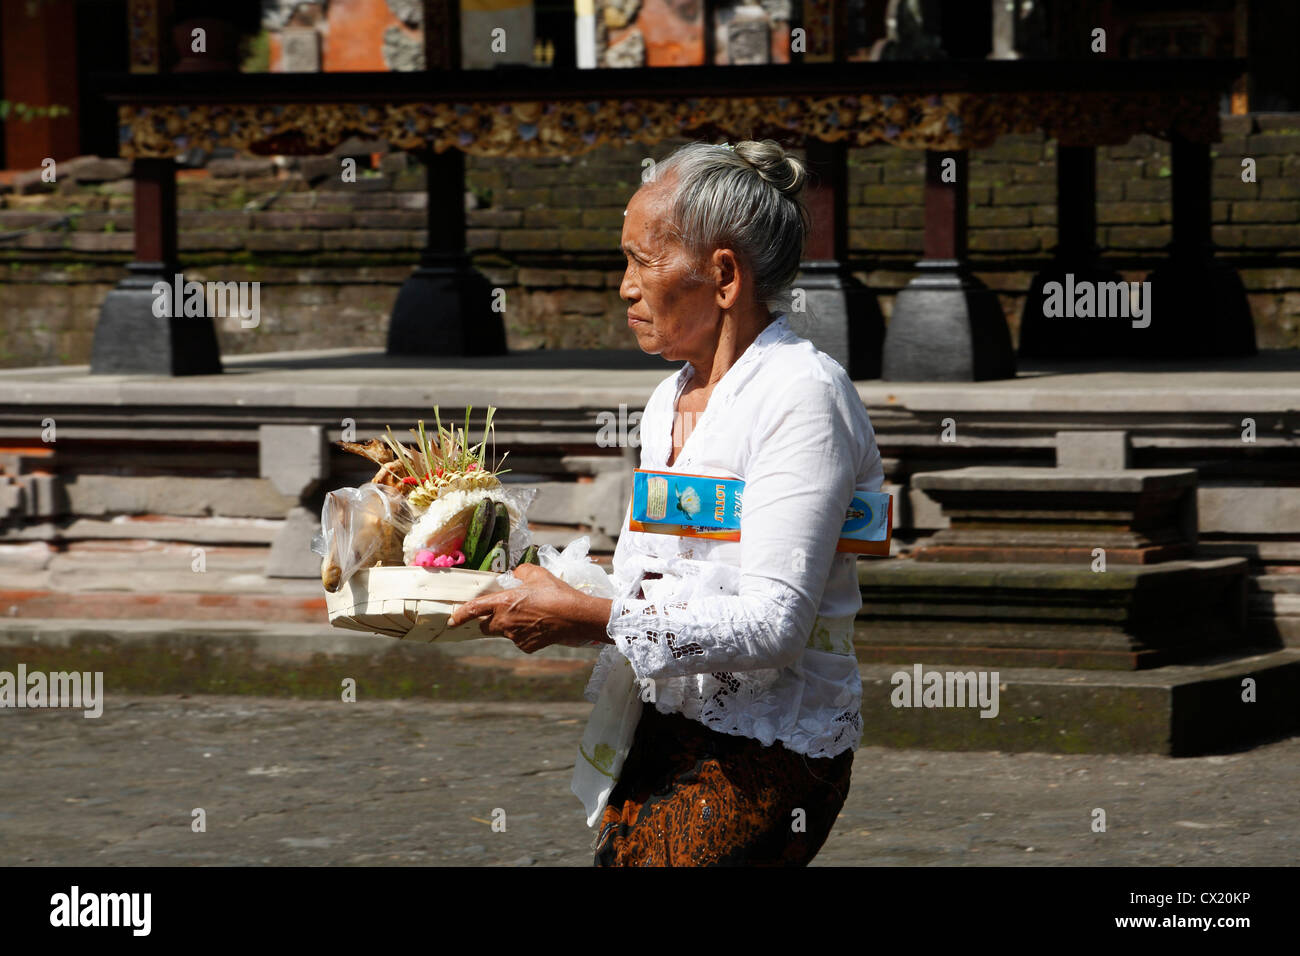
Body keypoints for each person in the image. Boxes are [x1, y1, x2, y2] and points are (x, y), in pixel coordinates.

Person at [448, 138, 884, 866]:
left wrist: (587, 618)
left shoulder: (801, 396)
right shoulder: (669, 397)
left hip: (770, 744)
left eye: (641, 260)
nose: (624, 286)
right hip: (665, 721)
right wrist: (514, 574)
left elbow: (773, 627)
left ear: (722, 275)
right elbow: (648, 580)